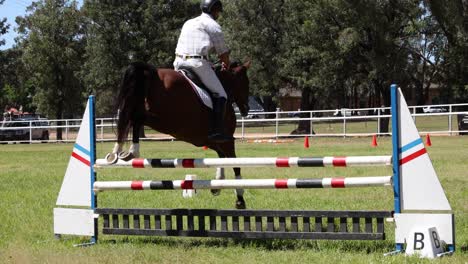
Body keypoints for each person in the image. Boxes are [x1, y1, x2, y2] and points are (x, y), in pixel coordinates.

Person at [174, 0, 232, 143]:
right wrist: (226, 64)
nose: (218, 14)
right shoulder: (213, 26)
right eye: (218, 11)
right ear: (215, 10)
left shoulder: (188, 22)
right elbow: (223, 53)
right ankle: (216, 131)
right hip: (197, 64)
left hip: (178, 62)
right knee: (221, 95)